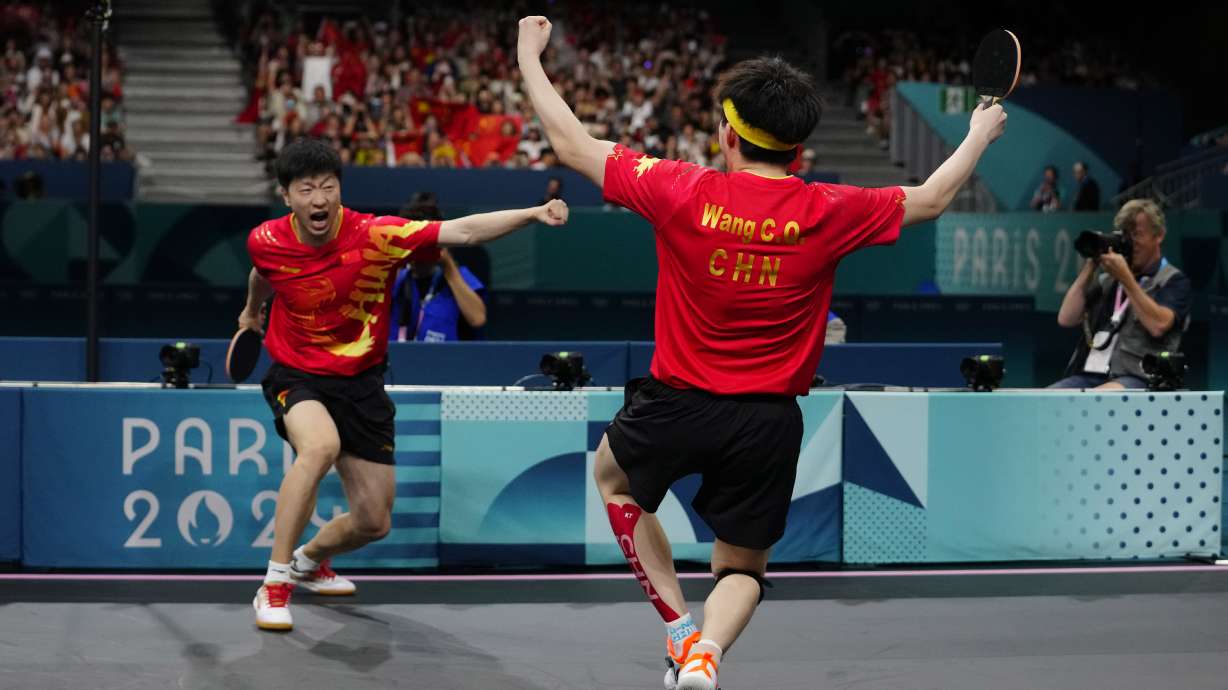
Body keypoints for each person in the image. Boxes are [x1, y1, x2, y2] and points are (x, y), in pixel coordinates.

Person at [517, 15, 1006, 690]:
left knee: (613, 478)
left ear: (727, 133)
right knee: (743, 570)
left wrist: (527, 54)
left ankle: (679, 628)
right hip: (767, 422)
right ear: (797, 150)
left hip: (674, 405)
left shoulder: (679, 187)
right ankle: (707, 653)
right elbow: (932, 197)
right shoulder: (829, 208)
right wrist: (978, 132)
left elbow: (570, 144)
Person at [239, 138, 568, 631]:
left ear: (340, 191)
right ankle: (274, 584)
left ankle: (308, 561)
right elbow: (264, 274)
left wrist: (534, 211)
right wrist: (250, 312)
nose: (319, 199)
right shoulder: (265, 240)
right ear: (286, 196)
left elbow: (466, 230)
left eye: (328, 186)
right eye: (306, 189)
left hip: (361, 381)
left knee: (374, 520)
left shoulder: (376, 235)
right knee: (319, 447)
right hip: (298, 371)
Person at [1051, 199, 1190, 389]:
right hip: (1088, 375)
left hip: (1137, 377)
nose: (1131, 243)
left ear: (1159, 236)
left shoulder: (1173, 280)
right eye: (1126, 235)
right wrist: (1092, 264)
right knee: (1047, 400)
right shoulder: (1108, 281)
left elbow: (1159, 324)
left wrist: (1126, 279)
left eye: (1137, 235)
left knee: (1094, 400)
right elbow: (1066, 318)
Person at [389, 192, 488, 342]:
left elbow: (478, 319)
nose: (418, 256)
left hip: (445, 361)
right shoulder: (399, 278)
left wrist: (448, 266)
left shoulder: (458, 276)